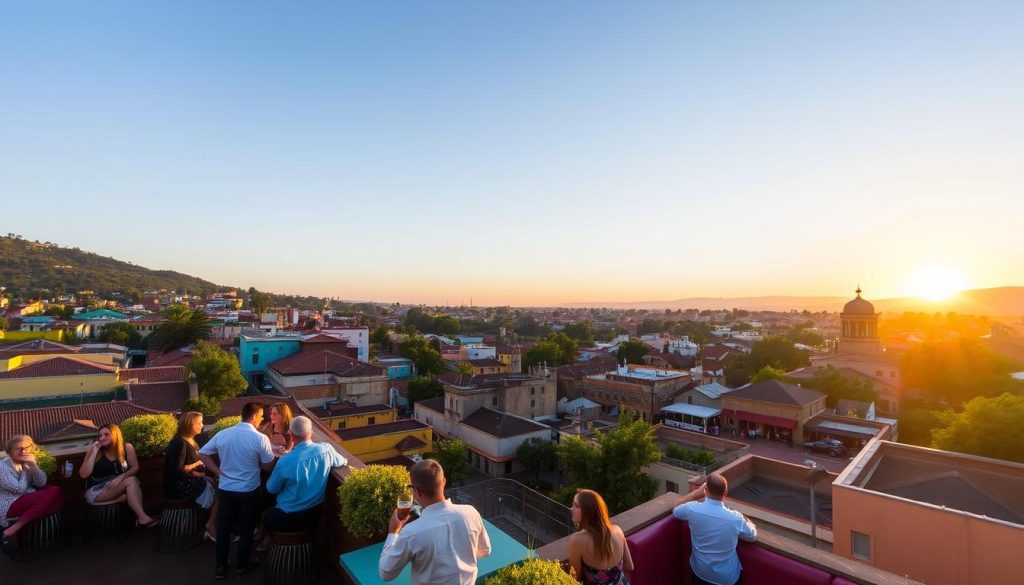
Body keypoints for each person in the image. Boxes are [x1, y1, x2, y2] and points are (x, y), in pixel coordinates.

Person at [379, 459, 491, 584]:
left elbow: (386, 573)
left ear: (416, 491)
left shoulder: (412, 533)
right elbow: (485, 550)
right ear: (443, 482)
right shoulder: (471, 513)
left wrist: (393, 532)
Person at [199, 402, 277, 579]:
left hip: (226, 488)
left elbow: (202, 453)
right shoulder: (260, 438)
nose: (263, 419)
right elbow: (267, 467)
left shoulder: (224, 433)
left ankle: (220, 566)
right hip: (248, 490)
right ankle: (242, 565)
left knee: (224, 526)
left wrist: (217, 470)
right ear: (253, 416)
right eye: (262, 416)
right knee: (247, 527)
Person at [257, 416, 346, 551]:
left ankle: (266, 538)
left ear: (291, 436)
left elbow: (271, 489)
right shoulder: (326, 450)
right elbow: (342, 461)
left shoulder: (285, 461)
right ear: (310, 433)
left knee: (266, 514)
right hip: (314, 515)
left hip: (288, 518)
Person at [673, 474, 756, 585]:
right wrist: (748, 521)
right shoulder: (735, 518)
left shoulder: (692, 509)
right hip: (726, 579)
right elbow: (752, 536)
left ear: (705, 490)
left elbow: (676, 509)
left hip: (700, 573)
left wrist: (697, 493)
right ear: (725, 493)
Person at [79, 423, 159, 527]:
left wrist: (121, 476)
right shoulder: (95, 450)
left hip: (116, 486)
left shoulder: (126, 448)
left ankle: (138, 518)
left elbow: (135, 467)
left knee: (132, 480)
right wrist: (94, 451)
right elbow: (83, 474)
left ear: (115, 434)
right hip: (96, 490)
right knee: (132, 481)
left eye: (106, 434)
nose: (102, 438)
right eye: (100, 435)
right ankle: (142, 518)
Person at [1, 435, 65, 555]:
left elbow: (41, 483)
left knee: (55, 489)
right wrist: (26, 468)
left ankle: (36, 515)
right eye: (18, 448)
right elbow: (18, 489)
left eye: (27, 447)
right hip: (10, 503)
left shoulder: (27, 461)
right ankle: (14, 529)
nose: (24, 451)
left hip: (27, 496)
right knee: (51, 493)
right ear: (9, 452)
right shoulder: (2, 467)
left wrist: (34, 466)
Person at [164, 411, 219, 539]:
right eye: (199, 423)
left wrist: (203, 476)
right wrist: (198, 464)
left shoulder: (192, 441)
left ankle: (211, 524)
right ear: (190, 425)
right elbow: (177, 471)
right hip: (178, 487)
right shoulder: (180, 444)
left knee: (217, 486)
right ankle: (211, 526)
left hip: (189, 481)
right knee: (219, 490)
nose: (202, 425)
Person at [569, 489, 634, 585]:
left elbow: (574, 577)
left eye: (576, 506)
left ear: (589, 512)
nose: (571, 509)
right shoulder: (618, 531)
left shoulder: (577, 540)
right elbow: (630, 566)